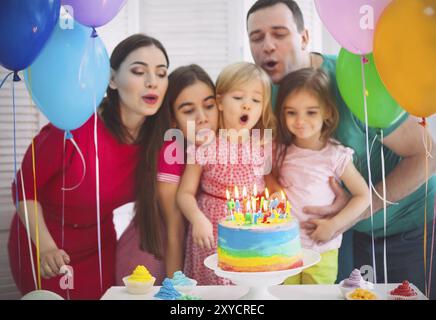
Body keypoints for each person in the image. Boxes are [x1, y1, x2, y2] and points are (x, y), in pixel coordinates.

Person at [246, 0, 436, 298]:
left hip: (408, 227)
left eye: (279, 33)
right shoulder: (264, 96)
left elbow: (427, 155)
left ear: (305, 38)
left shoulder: (355, 79)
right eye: (256, 38)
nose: (267, 46)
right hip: (342, 239)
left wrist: (353, 210)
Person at [8, 34, 170, 299]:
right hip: (42, 243)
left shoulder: (159, 141)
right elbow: (24, 188)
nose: (152, 82)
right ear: (112, 79)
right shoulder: (75, 124)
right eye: (139, 71)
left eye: (161, 73)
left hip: (98, 246)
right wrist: (46, 248)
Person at [177, 62, 275, 285]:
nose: (247, 106)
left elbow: (271, 187)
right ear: (219, 102)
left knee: (250, 287)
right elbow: (184, 194)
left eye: (256, 100)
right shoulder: (205, 145)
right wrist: (197, 219)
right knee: (216, 286)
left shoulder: (263, 145)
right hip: (211, 230)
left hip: (252, 227)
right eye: (239, 97)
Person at [270, 68, 369, 284]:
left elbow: (363, 196)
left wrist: (333, 225)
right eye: (291, 112)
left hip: (321, 251)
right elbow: (264, 180)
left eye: (311, 112)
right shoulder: (277, 150)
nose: (300, 120)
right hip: (282, 249)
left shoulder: (335, 155)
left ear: (328, 113)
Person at [156, 64, 219, 278]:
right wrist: (175, 290)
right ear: (173, 119)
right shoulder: (172, 155)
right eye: (189, 110)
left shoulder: (221, 144)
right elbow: (175, 232)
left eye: (209, 105)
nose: (202, 117)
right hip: (156, 254)